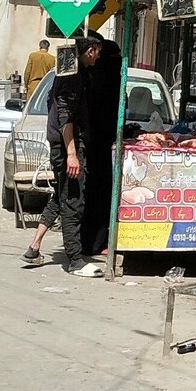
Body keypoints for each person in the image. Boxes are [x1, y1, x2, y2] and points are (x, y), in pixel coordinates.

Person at [22, 35, 103, 276]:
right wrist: (72, 153)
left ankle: (34, 246)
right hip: (68, 146)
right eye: (97, 51)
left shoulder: (66, 73)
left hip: (63, 144)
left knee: (61, 195)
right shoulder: (73, 77)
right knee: (73, 201)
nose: (98, 57)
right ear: (89, 51)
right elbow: (66, 117)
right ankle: (75, 260)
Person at [81, 38, 122, 257]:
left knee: (94, 194)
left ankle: (91, 241)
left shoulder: (94, 76)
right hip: (101, 145)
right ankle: (95, 242)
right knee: (100, 194)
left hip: (95, 143)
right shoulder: (108, 79)